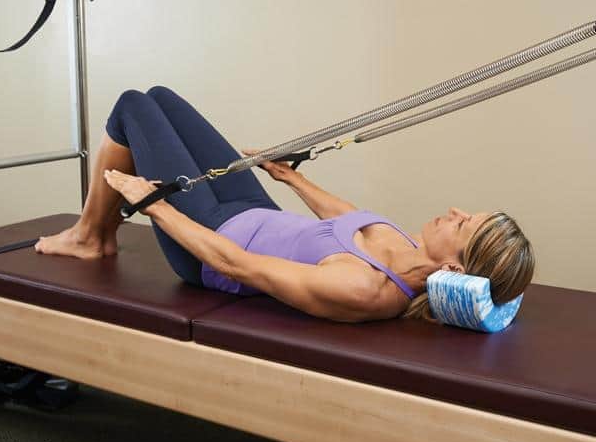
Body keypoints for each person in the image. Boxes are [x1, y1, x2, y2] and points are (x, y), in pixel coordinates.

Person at [34, 87, 535, 323]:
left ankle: (89, 236)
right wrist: (292, 177)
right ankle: (94, 233)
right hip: (250, 206)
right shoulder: (408, 246)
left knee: (132, 107)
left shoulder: (366, 288)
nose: (455, 211)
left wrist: (155, 205)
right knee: (161, 97)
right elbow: (347, 218)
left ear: (454, 267)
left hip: (210, 242)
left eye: (463, 225)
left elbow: (239, 265)